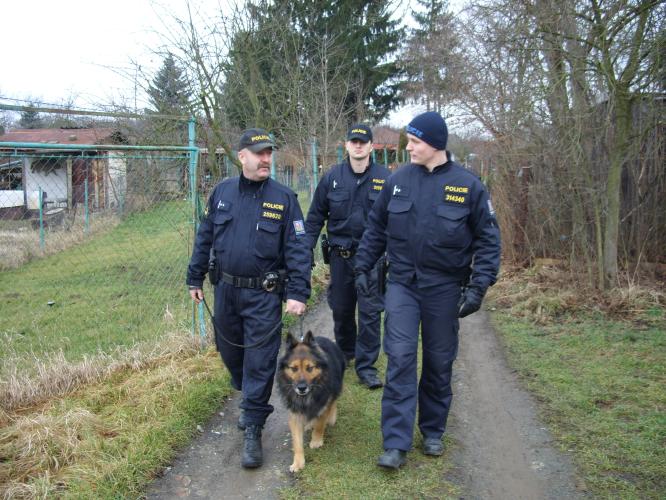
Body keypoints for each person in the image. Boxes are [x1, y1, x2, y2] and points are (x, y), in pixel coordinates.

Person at [354, 111, 501, 469]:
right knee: (400, 358)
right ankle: (396, 441)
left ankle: (433, 430)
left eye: (415, 141)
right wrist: (362, 267)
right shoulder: (398, 180)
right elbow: (376, 228)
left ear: (434, 144)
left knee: (438, 361)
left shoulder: (468, 186)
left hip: (444, 288)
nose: (408, 147)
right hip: (403, 285)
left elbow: (488, 240)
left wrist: (478, 286)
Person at [186, 128, 311, 469]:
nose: (266, 159)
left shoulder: (284, 198)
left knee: (260, 360)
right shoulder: (222, 193)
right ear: (242, 156)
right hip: (226, 291)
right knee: (231, 353)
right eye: (260, 153)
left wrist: (298, 292)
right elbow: (205, 237)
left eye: (269, 153)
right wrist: (195, 276)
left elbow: (299, 248)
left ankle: (253, 426)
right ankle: (249, 398)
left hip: (263, 295)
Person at [305, 124, 390, 389]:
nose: (358, 146)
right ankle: (346, 352)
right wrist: (304, 251)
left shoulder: (385, 179)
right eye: (354, 142)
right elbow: (315, 217)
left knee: (370, 313)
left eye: (363, 142)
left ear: (371, 146)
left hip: (372, 260)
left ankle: (366, 366)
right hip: (341, 258)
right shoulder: (332, 178)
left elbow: (397, 219)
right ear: (347, 145)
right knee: (341, 309)